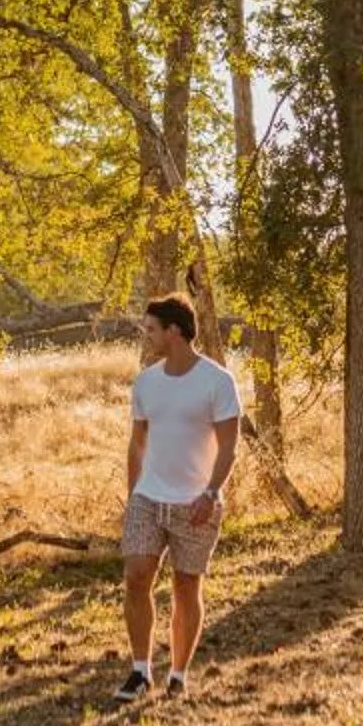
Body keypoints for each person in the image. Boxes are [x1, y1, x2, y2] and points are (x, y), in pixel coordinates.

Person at [114, 293, 239, 701]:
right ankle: (139, 672)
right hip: (148, 499)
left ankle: (178, 675)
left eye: (152, 329)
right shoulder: (146, 382)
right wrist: (133, 495)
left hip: (197, 502)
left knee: (186, 587)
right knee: (136, 576)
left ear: (174, 331)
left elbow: (229, 446)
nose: (146, 336)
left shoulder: (217, 381)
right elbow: (137, 443)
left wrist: (211, 493)